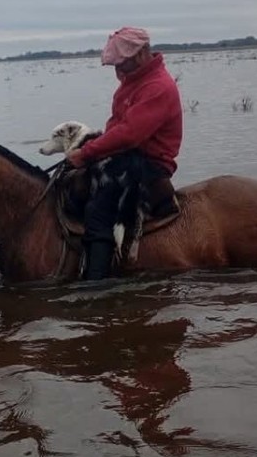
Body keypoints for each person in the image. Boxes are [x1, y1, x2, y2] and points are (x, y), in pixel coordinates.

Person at [66, 26, 183, 280]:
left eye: (122, 63)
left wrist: (86, 153)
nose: (117, 70)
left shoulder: (157, 87)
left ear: (140, 54)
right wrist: (92, 151)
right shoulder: (131, 85)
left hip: (150, 163)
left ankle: (96, 285)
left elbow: (129, 133)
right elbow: (115, 127)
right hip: (128, 156)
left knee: (99, 211)